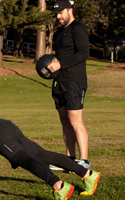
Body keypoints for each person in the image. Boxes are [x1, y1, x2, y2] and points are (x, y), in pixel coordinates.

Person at [47, 0, 91, 170]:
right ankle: (69, 160)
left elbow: (84, 53)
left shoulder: (78, 29)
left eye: (60, 13)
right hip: (60, 82)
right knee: (65, 120)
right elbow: (60, 56)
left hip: (74, 81)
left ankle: (84, 162)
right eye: (56, 14)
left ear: (70, 10)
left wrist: (61, 64)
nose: (58, 16)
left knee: (76, 121)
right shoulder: (60, 32)